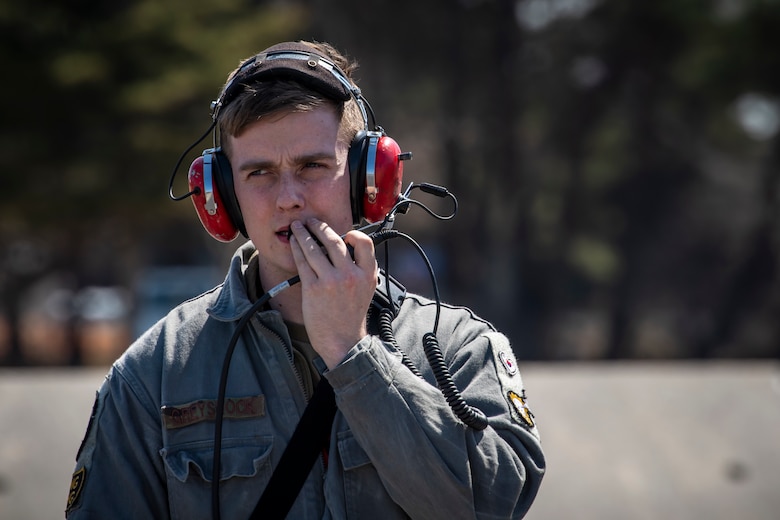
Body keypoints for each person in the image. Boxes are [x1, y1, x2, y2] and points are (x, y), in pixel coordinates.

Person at [66, 40, 545, 519]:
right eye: (259, 173)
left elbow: (491, 507)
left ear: (368, 180)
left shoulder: (460, 348)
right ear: (222, 195)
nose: (288, 198)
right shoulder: (155, 374)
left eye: (312, 166)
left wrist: (352, 354)